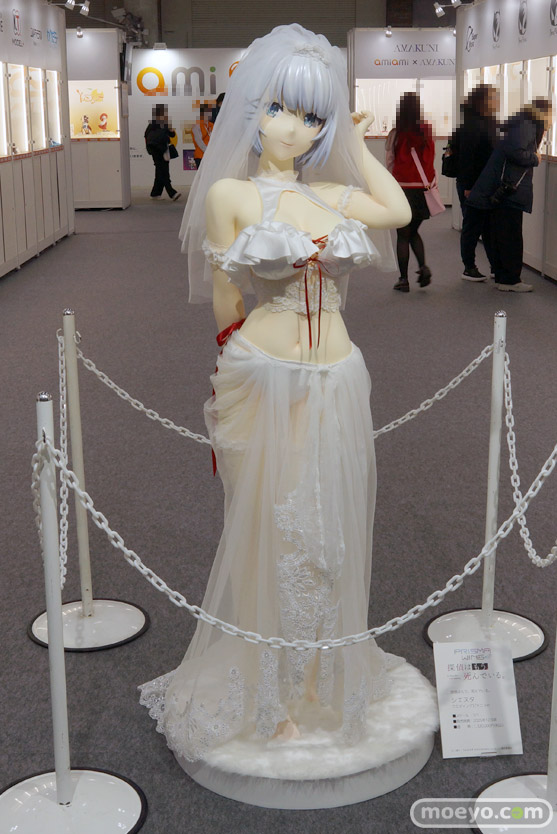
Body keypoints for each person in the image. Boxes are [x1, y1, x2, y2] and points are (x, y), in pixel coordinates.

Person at [139, 24, 411, 762]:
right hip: (264, 367)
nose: (295, 128)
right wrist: (229, 371)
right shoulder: (230, 194)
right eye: (281, 109)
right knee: (272, 523)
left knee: (329, 529)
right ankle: (269, 684)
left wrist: (358, 143)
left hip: (340, 372)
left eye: (314, 115)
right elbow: (227, 298)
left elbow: (398, 212)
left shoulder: (332, 193)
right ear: (253, 109)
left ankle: (314, 675)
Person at [467, 98, 552, 293]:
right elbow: (516, 151)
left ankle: (502, 275)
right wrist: (535, 158)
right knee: (511, 236)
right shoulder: (527, 125)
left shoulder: (520, 123)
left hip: (503, 187)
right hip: (510, 188)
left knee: (501, 234)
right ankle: (510, 279)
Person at [385, 92, 435, 293]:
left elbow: (390, 162)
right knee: (414, 231)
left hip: (402, 190)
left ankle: (403, 279)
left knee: (403, 235)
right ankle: (423, 267)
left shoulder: (396, 134)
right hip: (422, 190)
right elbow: (430, 160)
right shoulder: (426, 132)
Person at [453, 84, 498, 281]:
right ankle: (469, 267)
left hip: (483, 183)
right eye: (493, 97)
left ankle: (495, 266)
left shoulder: (485, 122)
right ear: (483, 101)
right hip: (473, 185)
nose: (497, 101)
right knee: (472, 227)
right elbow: (467, 158)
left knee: (487, 227)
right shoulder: (473, 125)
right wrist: (468, 186)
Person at [144, 104, 181, 201]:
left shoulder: (155, 124)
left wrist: (170, 129)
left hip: (160, 150)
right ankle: (172, 193)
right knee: (164, 171)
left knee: (160, 171)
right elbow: (171, 134)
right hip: (158, 150)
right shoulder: (157, 124)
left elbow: (171, 134)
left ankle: (155, 193)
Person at [192, 104, 214, 169]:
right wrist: (208, 151)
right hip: (200, 155)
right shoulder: (197, 125)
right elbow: (199, 141)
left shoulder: (211, 125)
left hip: (211, 155)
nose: (209, 114)